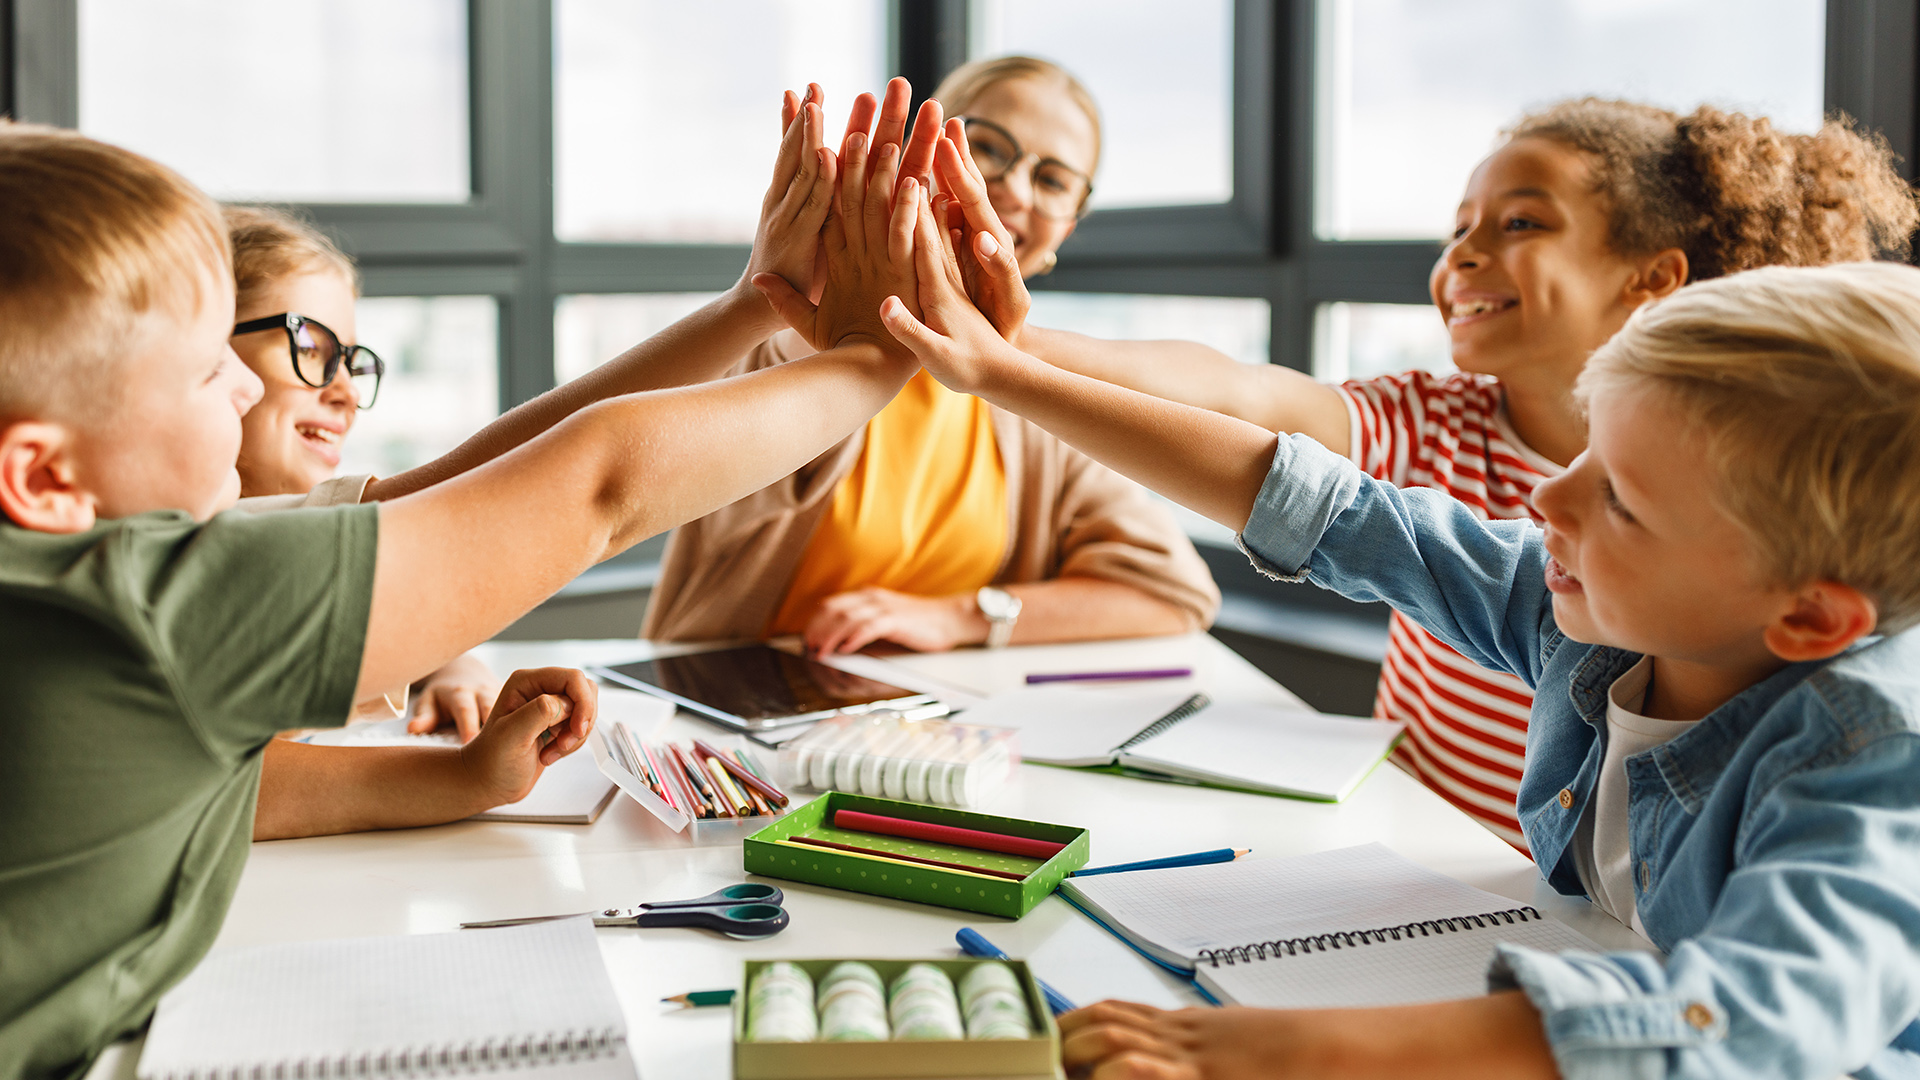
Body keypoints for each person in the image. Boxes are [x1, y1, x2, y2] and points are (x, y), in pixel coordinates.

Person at [867, 130, 1920, 1078]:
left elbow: (1738, 1021)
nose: (1548, 496)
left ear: (1814, 620)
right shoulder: (1583, 610)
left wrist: (1276, 1049)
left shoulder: (1873, 759)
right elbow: (1325, 505)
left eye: (1625, 501)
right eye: (1587, 451)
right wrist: (1001, 372)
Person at [0, 109, 923, 1078]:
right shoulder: (150, 603)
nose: (236, 387)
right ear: (48, 477)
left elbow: (445, 491)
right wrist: (877, 355)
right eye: (202, 368)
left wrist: (754, 307)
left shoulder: (67, 579)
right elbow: (595, 486)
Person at [1005, 99, 1920, 850]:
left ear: (1652, 278)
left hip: (1550, 892)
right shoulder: (1430, 419)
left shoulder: (1748, 551)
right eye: (1458, 229)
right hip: (1407, 844)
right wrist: (1011, 347)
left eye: (1520, 222)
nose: (1463, 255)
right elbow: (1246, 400)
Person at [643, 63, 1221, 655]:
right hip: (723, 722)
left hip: (920, 731)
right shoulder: (794, 343)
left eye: (1052, 181)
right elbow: (648, 469)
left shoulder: (1036, 401)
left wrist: (961, 618)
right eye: (988, 148)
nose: (1015, 191)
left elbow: (1176, 592)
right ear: (923, 149)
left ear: (1065, 231)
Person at [224, 204, 499, 738]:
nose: (347, 392)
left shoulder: (307, 538)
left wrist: (454, 667)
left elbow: (404, 617)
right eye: (310, 346)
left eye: (352, 361)